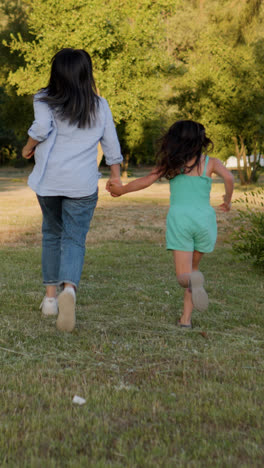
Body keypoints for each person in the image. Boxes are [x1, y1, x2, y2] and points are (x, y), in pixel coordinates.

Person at [22, 48, 123, 332]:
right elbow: (112, 143)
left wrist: (27, 148)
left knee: (52, 235)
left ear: (56, 72)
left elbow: (41, 127)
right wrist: (115, 178)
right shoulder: (99, 104)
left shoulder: (43, 98)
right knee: (75, 239)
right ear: (85, 73)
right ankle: (70, 290)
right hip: (82, 184)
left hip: (49, 181)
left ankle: (51, 299)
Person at [108, 120, 234, 328]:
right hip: (204, 220)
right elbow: (229, 177)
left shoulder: (172, 163)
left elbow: (146, 180)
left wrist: (121, 190)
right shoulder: (211, 162)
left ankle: (193, 290)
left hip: (180, 220)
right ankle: (185, 320)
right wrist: (227, 200)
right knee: (193, 270)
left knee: (185, 277)